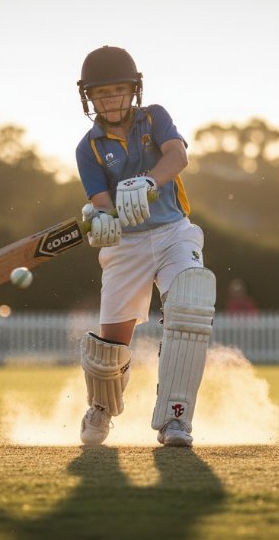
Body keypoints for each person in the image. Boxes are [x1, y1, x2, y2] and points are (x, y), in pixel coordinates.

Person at [73, 45, 214, 447]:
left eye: (117, 90)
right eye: (101, 93)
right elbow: (102, 203)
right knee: (109, 351)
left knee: (190, 306)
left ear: (133, 90)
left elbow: (178, 155)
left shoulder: (155, 117)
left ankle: (176, 419)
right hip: (128, 246)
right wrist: (102, 220)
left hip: (174, 231)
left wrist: (150, 181)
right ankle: (101, 408)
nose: (110, 100)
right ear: (89, 97)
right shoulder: (89, 148)